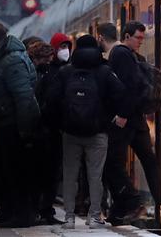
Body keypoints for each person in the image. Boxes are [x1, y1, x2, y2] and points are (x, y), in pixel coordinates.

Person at [45, 35, 126, 229]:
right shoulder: (105, 72)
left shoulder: (65, 72)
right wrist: (116, 116)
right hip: (98, 132)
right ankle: (95, 217)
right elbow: (122, 94)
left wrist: (60, 122)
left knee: (70, 174)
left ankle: (69, 218)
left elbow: (51, 99)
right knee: (95, 175)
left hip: (70, 133)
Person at [96, 21, 161, 225]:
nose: (141, 42)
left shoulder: (121, 54)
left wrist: (122, 114)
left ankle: (131, 202)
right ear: (126, 36)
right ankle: (146, 204)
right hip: (136, 119)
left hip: (127, 120)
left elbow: (128, 87)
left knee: (113, 163)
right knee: (147, 160)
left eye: (142, 38)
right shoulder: (128, 55)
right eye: (138, 38)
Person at [0, 21, 41, 228]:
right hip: (4, 123)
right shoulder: (2, 58)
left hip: (12, 125)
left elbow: (23, 96)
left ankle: (21, 215)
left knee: (15, 172)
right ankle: (8, 211)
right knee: (1, 167)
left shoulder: (12, 60)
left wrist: (24, 131)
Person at [27, 38, 60, 224]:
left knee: (46, 174)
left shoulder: (45, 73)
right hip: (41, 130)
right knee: (42, 174)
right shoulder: (35, 76)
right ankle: (39, 209)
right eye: (46, 59)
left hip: (46, 130)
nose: (49, 62)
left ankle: (43, 210)